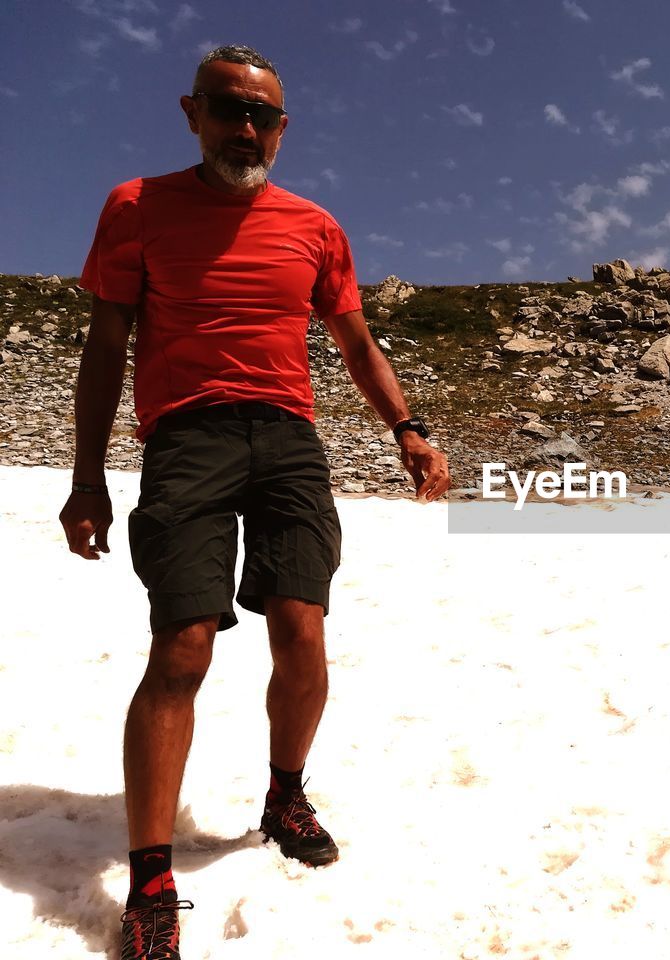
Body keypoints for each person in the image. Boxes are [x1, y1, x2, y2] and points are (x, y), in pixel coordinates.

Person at [58, 44, 449, 960]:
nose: (247, 129)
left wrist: (408, 427)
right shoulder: (135, 208)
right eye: (230, 109)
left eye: (264, 115)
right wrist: (87, 478)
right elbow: (106, 349)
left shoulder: (315, 226)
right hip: (187, 439)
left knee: (303, 627)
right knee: (184, 644)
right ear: (190, 111)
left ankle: (285, 794)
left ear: (283, 127)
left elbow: (356, 343)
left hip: (287, 439)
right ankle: (151, 878)